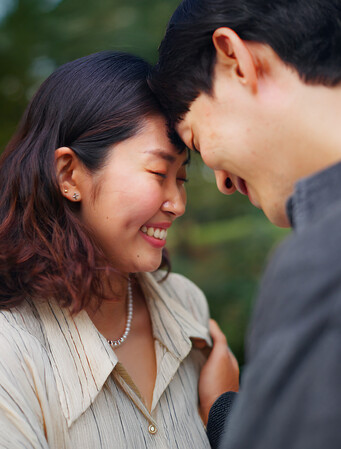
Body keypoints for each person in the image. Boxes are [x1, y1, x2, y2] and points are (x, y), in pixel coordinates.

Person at [0, 50, 239, 448]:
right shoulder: (12, 349)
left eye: (181, 179)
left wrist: (222, 413)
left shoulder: (187, 308)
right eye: (159, 173)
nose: (177, 204)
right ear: (68, 174)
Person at [150, 0, 341, 448]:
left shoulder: (320, 263)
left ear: (235, 59)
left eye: (195, 138)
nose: (221, 182)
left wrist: (223, 416)